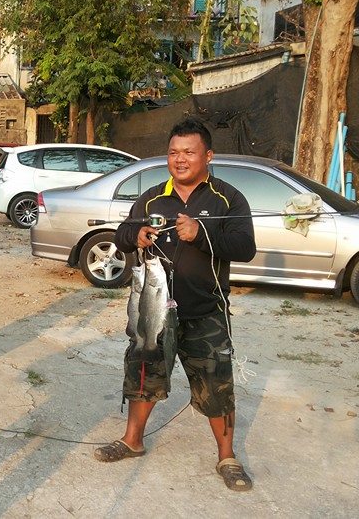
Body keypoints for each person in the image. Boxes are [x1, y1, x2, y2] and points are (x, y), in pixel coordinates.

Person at [95, 118, 257, 492]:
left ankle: (227, 457)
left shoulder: (227, 198)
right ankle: (132, 440)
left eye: (189, 152)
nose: (180, 159)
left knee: (217, 386)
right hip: (155, 311)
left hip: (206, 311)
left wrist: (202, 233)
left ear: (208, 156)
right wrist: (134, 234)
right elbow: (121, 234)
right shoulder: (152, 197)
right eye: (173, 152)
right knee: (143, 374)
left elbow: (244, 247)